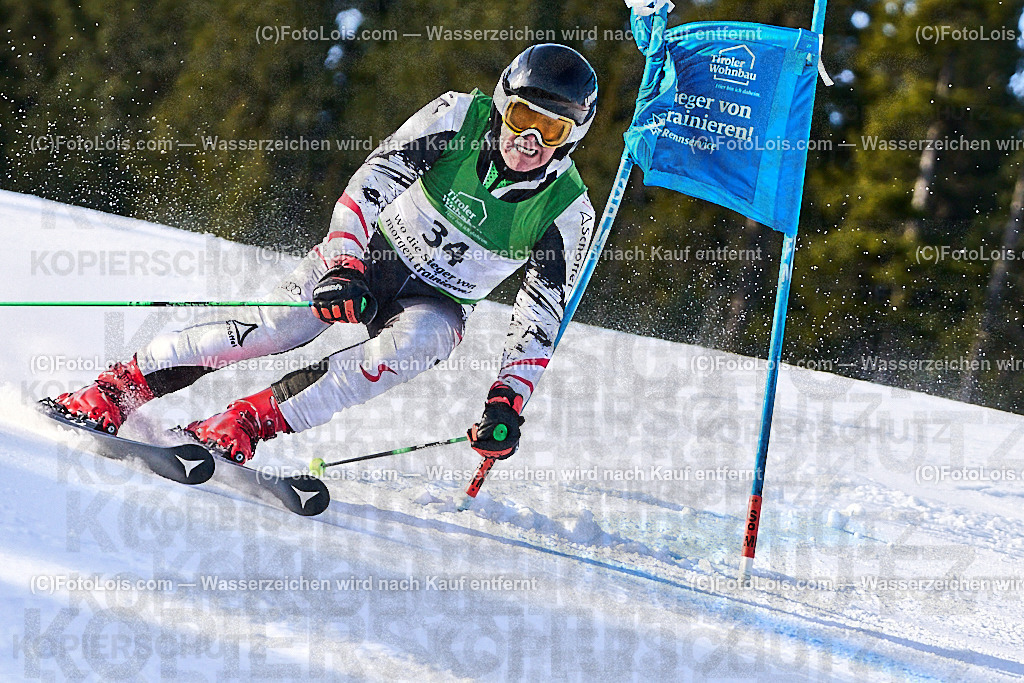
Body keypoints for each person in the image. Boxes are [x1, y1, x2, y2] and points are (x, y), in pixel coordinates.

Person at [48, 43, 598, 465]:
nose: (530, 141)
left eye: (552, 129)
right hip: (370, 256)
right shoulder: (458, 116)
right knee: (276, 328)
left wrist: (507, 399)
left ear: (573, 137)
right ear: (503, 105)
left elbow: (540, 318)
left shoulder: (568, 212)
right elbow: (371, 183)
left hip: (439, 301)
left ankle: (240, 425)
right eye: (524, 118)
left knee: (410, 349)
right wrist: (344, 264)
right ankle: (115, 390)